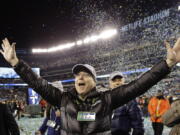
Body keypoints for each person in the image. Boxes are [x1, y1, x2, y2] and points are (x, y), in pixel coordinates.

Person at [0, 37, 180, 135]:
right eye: (78, 75)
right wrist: (16, 63)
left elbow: (139, 85)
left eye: (86, 75)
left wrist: (167, 64)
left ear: (94, 81)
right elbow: (36, 83)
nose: (80, 77)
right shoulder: (63, 98)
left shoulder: (107, 99)